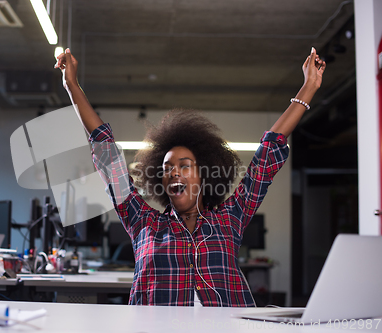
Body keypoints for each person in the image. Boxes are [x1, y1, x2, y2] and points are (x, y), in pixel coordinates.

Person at [55, 47, 325, 306]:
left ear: (203, 174)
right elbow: (107, 155)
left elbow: (266, 156)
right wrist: (72, 87)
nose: (173, 172)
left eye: (184, 165)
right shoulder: (143, 223)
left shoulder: (230, 218)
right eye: (167, 168)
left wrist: (309, 87)